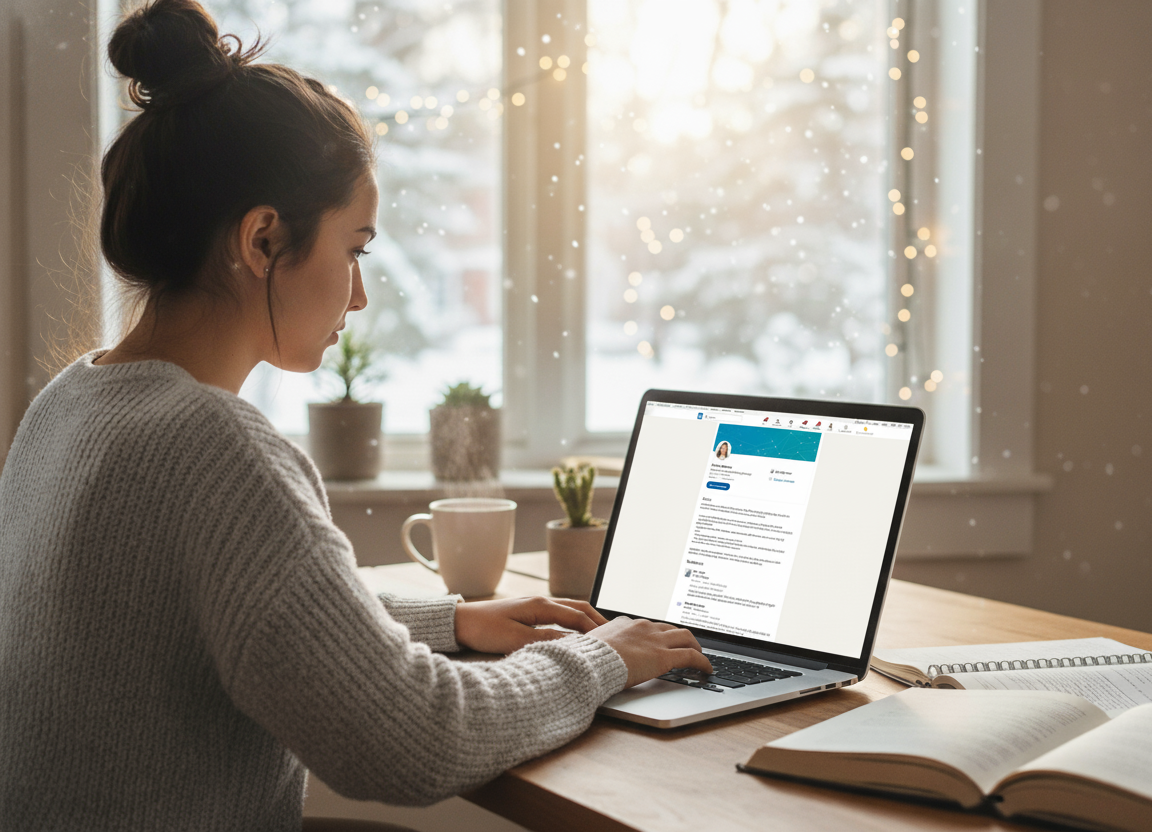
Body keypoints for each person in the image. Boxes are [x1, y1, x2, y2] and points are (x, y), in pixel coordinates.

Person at [0, 1, 711, 829]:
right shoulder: (213, 448)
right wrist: (600, 660)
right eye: (355, 249)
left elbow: (237, 612)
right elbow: (419, 739)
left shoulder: (70, 401)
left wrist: (453, 621)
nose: (361, 294)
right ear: (262, 241)